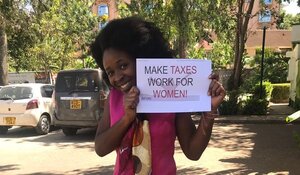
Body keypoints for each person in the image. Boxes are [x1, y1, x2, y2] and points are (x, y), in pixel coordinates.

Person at [91, 16, 226, 175]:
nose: (118, 76)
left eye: (123, 65)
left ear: (141, 59)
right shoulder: (114, 99)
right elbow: (100, 148)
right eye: (111, 72)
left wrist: (209, 113)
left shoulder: (171, 97)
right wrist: (126, 119)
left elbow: (193, 152)